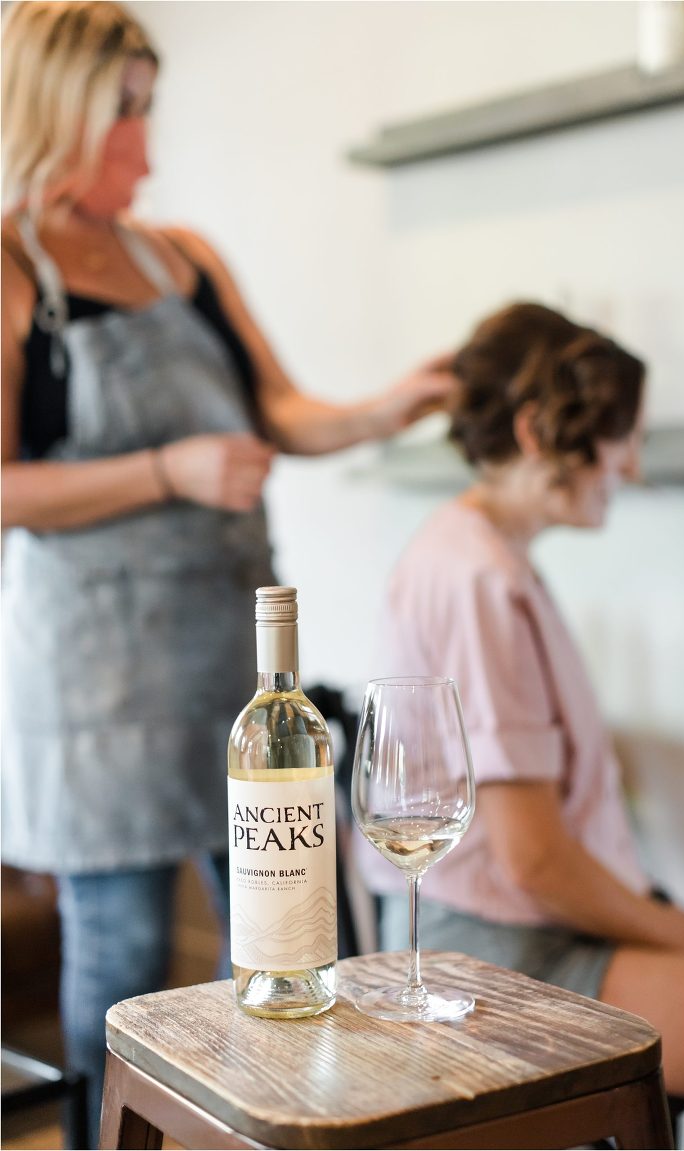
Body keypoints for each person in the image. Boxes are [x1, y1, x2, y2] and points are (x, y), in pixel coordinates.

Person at [0, 3, 454, 1144]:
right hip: (99, 685)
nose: (146, 148)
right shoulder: (11, 267)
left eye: (149, 109)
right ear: (54, 113)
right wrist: (166, 467)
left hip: (239, 663)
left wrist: (387, 406)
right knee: (124, 959)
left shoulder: (183, 256)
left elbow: (279, 410)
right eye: (125, 115)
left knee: (307, 938)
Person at [356, 301, 684, 1107]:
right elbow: (532, 860)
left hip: (531, 925)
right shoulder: (480, 579)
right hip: (509, 950)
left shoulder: (479, 558)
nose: (633, 466)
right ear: (541, 431)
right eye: (624, 438)